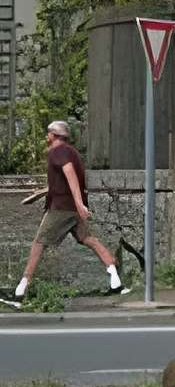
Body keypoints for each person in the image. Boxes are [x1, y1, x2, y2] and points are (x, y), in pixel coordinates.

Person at [16, 120, 121, 301]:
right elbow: (65, 180)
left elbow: (70, 174)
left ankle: (21, 289)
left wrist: (79, 204)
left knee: (39, 243)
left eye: (48, 133)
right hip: (72, 208)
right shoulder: (72, 152)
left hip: (62, 208)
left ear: (53, 135)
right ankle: (115, 279)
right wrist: (45, 192)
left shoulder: (57, 151)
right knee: (88, 239)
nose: (47, 136)